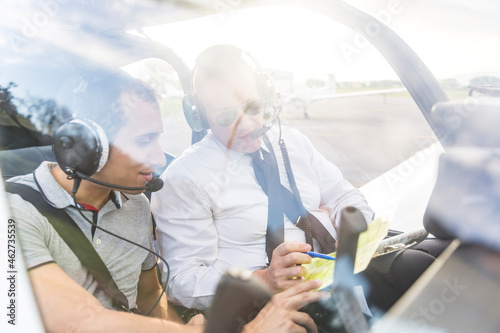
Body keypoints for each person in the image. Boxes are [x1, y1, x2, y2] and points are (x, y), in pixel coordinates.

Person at [6, 70, 326, 333]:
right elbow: (82, 321)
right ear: (89, 146)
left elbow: (150, 300)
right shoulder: (13, 211)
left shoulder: (136, 206)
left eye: (158, 138)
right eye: (145, 141)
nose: (159, 157)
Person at [151, 44, 450, 316]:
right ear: (198, 116)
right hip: (265, 301)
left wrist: (354, 227)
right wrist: (264, 280)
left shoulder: (291, 142)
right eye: (226, 117)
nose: (247, 124)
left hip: (337, 267)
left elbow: (344, 195)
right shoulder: (185, 177)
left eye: (253, 107)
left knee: (435, 266)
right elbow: (180, 279)